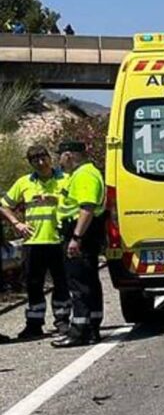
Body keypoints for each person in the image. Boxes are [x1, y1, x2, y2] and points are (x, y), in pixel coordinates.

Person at [0, 145, 71, 339]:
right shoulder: (24, 182)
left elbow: (76, 204)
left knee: (61, 283)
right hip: (33, 242)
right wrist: (16, 223)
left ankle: (62, 321)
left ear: (50, 158)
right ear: (30, 163)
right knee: (33, 284)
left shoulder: (65, 179)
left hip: (59, 240)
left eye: (43, 158)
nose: (41, 163)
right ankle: (34, 324)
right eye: (35, 160)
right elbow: (4, 205)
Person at [51, 141, 106, 348]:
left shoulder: (84, 175)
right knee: (89, 282)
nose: (59, 161)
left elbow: (87, 207)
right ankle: (91, 329)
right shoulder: (83, 173)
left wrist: (76, 238)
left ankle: (79, 332)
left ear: (68, 155)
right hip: (83, 234)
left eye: (60, 156)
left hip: (80, 234)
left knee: (79, 285)